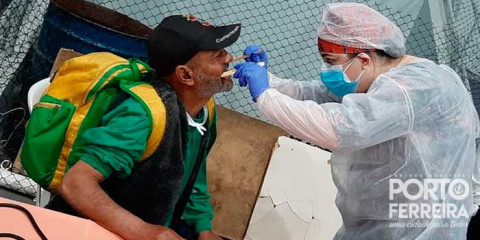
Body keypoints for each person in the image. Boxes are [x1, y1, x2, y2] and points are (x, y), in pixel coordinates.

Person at [234, 3, 480, 240]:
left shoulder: (414, 86)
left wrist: (266, 95)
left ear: (364, 59)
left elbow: (338, 129)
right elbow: (315, 96)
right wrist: (268, 80)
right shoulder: (378, 82)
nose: (325, 70)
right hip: (380, 224)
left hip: (415, 230)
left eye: (330, 61)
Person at [46, 15, 241, 240]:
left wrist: (203, 228)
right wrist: (142, 231)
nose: (230, 58)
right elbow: (76, 183)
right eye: (218, 55)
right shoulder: (142, 115)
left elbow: (192, 175)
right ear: (185, 75)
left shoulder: (204, 109)